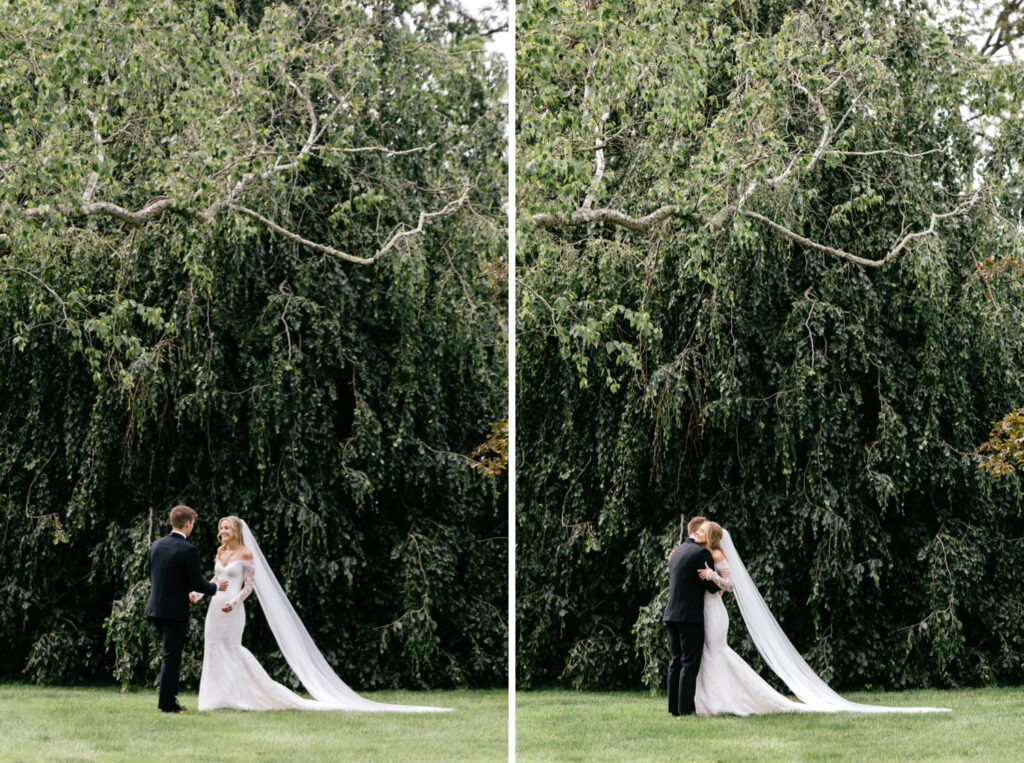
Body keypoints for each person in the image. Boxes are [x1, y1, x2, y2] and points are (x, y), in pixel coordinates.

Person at [191, 515, 450, 712]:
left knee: (232, 649)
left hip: (233, 609)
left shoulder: (245, 553)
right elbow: (215, 577)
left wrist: (235, 601)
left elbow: (249, 585)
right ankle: (216, 698)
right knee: (213, 647)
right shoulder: (221, 553)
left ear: (236, 531)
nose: (222, 532)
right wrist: (199, 593)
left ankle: (246, 694)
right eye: (221, 528)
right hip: (215, 608)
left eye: (226, 528)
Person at [693, 521, 949, 715]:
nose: (698, 532)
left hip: (716, 613)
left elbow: (730, 584)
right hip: (708, 610)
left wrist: (712, 577)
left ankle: (727, 701)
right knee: (710, 653)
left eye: (703, 530)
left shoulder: (716, 555)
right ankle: (710, 700)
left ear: (712, 536)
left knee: (718, 652)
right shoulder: (701, 553)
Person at [144, 504, 228, 713]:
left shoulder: (156, 545)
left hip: (155, 608)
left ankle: (167, 700)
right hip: (174, 612)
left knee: (167, 655)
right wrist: (217, 587)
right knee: (171, 656)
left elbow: (152, 575)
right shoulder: (188, 550)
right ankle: (167, 703)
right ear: (188, 523)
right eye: (193, 524)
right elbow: (198, 584)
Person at [662, 515, 721, 717]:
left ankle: (674, 710)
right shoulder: (701, 554)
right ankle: (686, 710)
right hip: (689, 616)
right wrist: (717, 583)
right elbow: (712, 587)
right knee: (689, 663)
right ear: (698, 532)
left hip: (671, 614)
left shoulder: (677, 551)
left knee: (675, 661)